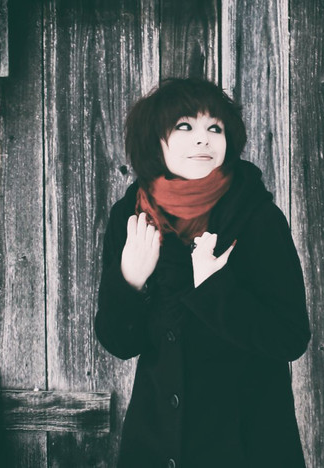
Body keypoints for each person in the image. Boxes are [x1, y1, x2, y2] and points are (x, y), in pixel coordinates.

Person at [95, 78, 311, 468]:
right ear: (154, 141)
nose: (203, 139)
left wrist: (214, 288)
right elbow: (119, 342)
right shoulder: (130, 217)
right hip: (156, 441)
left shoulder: (256, 217)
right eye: (184, 126)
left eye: (215, 128)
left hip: (245, 443)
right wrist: (130, 280)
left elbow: (290, 338)